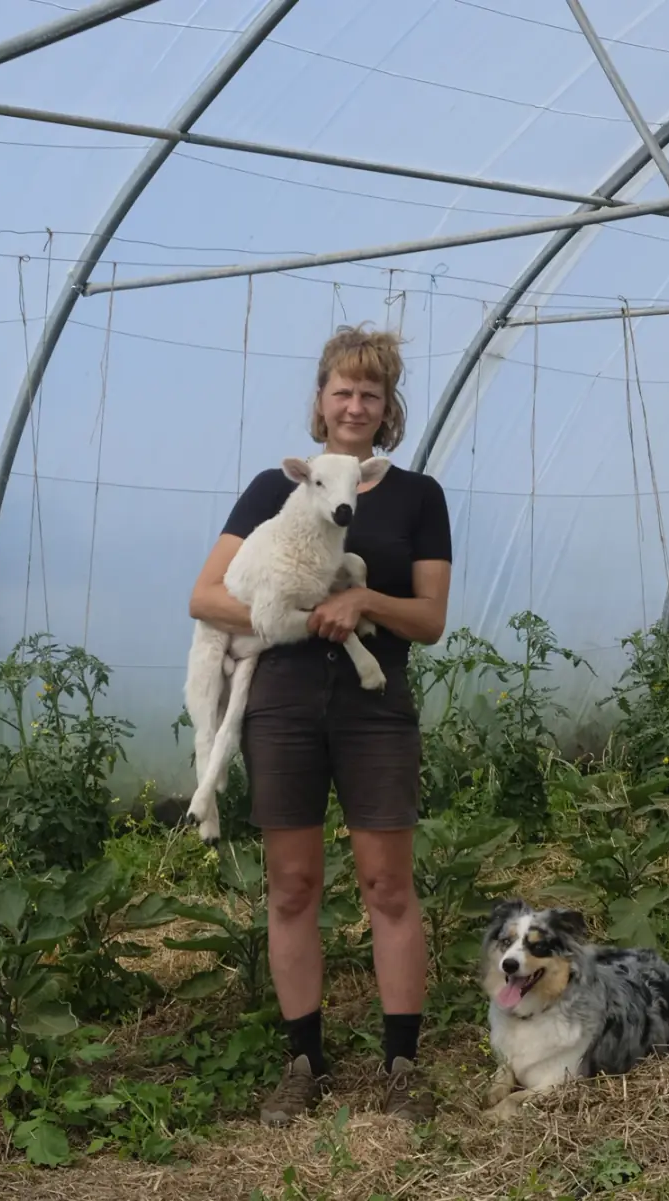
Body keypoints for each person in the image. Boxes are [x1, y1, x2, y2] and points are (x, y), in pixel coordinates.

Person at [188, 323, 453, 1126]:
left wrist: (365, 600)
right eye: (342, 389)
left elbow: (431, 618)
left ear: (387, 410)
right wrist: (299, 612)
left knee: (387, 887)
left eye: (371, 392)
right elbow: (207, 597)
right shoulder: (277, 490)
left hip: (376, 710)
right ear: (320, 401)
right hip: (284, 704)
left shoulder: (417, 497)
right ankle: (303, 1059)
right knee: (293, 885)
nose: (355, 403)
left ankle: (401, 1063)